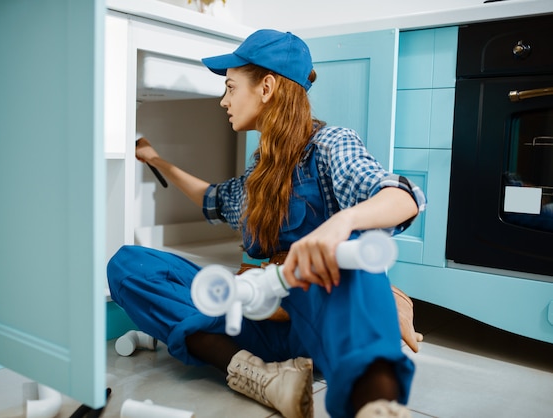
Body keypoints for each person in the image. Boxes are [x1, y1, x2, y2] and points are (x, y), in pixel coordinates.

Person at [107, 29, 426, 418]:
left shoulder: (330, 145)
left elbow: (405, 197)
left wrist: (342, 223)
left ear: (267, 87)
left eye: (230, 87)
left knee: (349, 246)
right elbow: (213, 200)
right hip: (261, 326)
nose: (223, 100)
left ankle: (376, 404)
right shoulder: (259, 171)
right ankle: (263, 378)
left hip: (321, 327)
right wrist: (157, 160)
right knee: (128, 265)